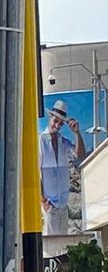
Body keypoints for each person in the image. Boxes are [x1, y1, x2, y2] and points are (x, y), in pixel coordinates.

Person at [40, 100, 86, 236]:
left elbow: (79, 155)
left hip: (62, 205)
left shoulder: (63, 142)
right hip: (49, 205)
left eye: (60, 123)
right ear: (50, 118)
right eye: (55, 121)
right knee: (48, 247)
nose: (57, 125)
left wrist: (77, 133)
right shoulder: (40, 141)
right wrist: (42, 200)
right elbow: (36, 173)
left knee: (62, 247)